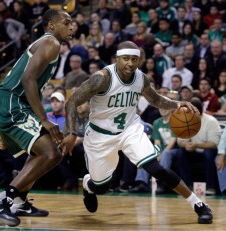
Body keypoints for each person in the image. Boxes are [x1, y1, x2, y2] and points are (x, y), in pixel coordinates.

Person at [61, 41, 213, 224]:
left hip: (129, 130)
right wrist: (71, 132)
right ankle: (89, 184)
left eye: (134, 59)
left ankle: (198, 204)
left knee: (156, 169)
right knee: (101, 186)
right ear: (117, 58)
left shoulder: (141, 78)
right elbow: (72, 102)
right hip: (100, 135)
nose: (130, 64)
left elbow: (155, 99)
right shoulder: (101, 78)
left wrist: (176, 104)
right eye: (125, 59)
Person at [0, 9, 73, 227]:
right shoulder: (51, 43)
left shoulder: (47, 43)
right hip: (12, 103)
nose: (71, 27)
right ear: (51, 25)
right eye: (66, 23)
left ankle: (19, 201)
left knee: (43, 151)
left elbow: (29, 82)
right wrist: (44, 119)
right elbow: (27, 79)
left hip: (13, 103)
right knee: (52, 152)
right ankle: (2, 201)